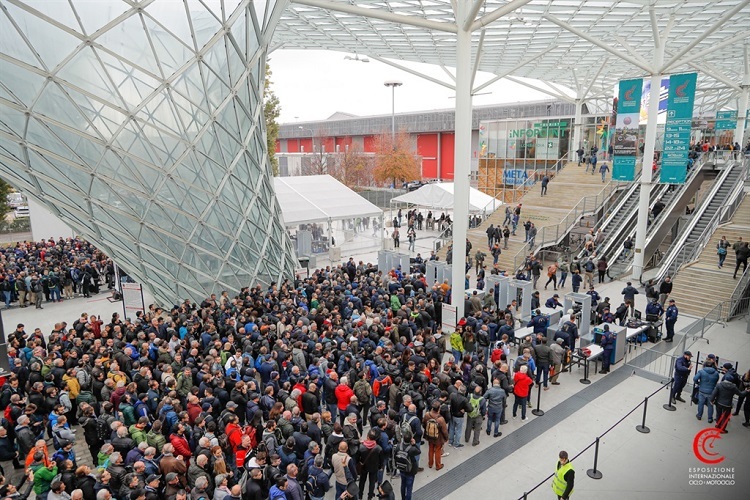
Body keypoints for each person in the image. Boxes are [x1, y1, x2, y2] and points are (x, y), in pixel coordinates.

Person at [422, 401, 448, 470]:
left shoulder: (427, 415)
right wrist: (446, 438)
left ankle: (430, 463)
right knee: (438, 450)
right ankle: (438, 465)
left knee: (430, 448)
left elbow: (424, 424)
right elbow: (444, 430)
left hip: (429, 435)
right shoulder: (440, 419)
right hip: (438, 437)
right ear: (439, 409)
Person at [693, 358, 720, 423]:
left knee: (701, 403)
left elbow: (695, 379)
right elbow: (716, 381)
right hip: (711, 391)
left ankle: (699, 415)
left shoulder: (701, 371)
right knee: (710, 405)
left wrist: (699, 383)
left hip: (702, 390)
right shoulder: (716, 373)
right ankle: (710, 418)